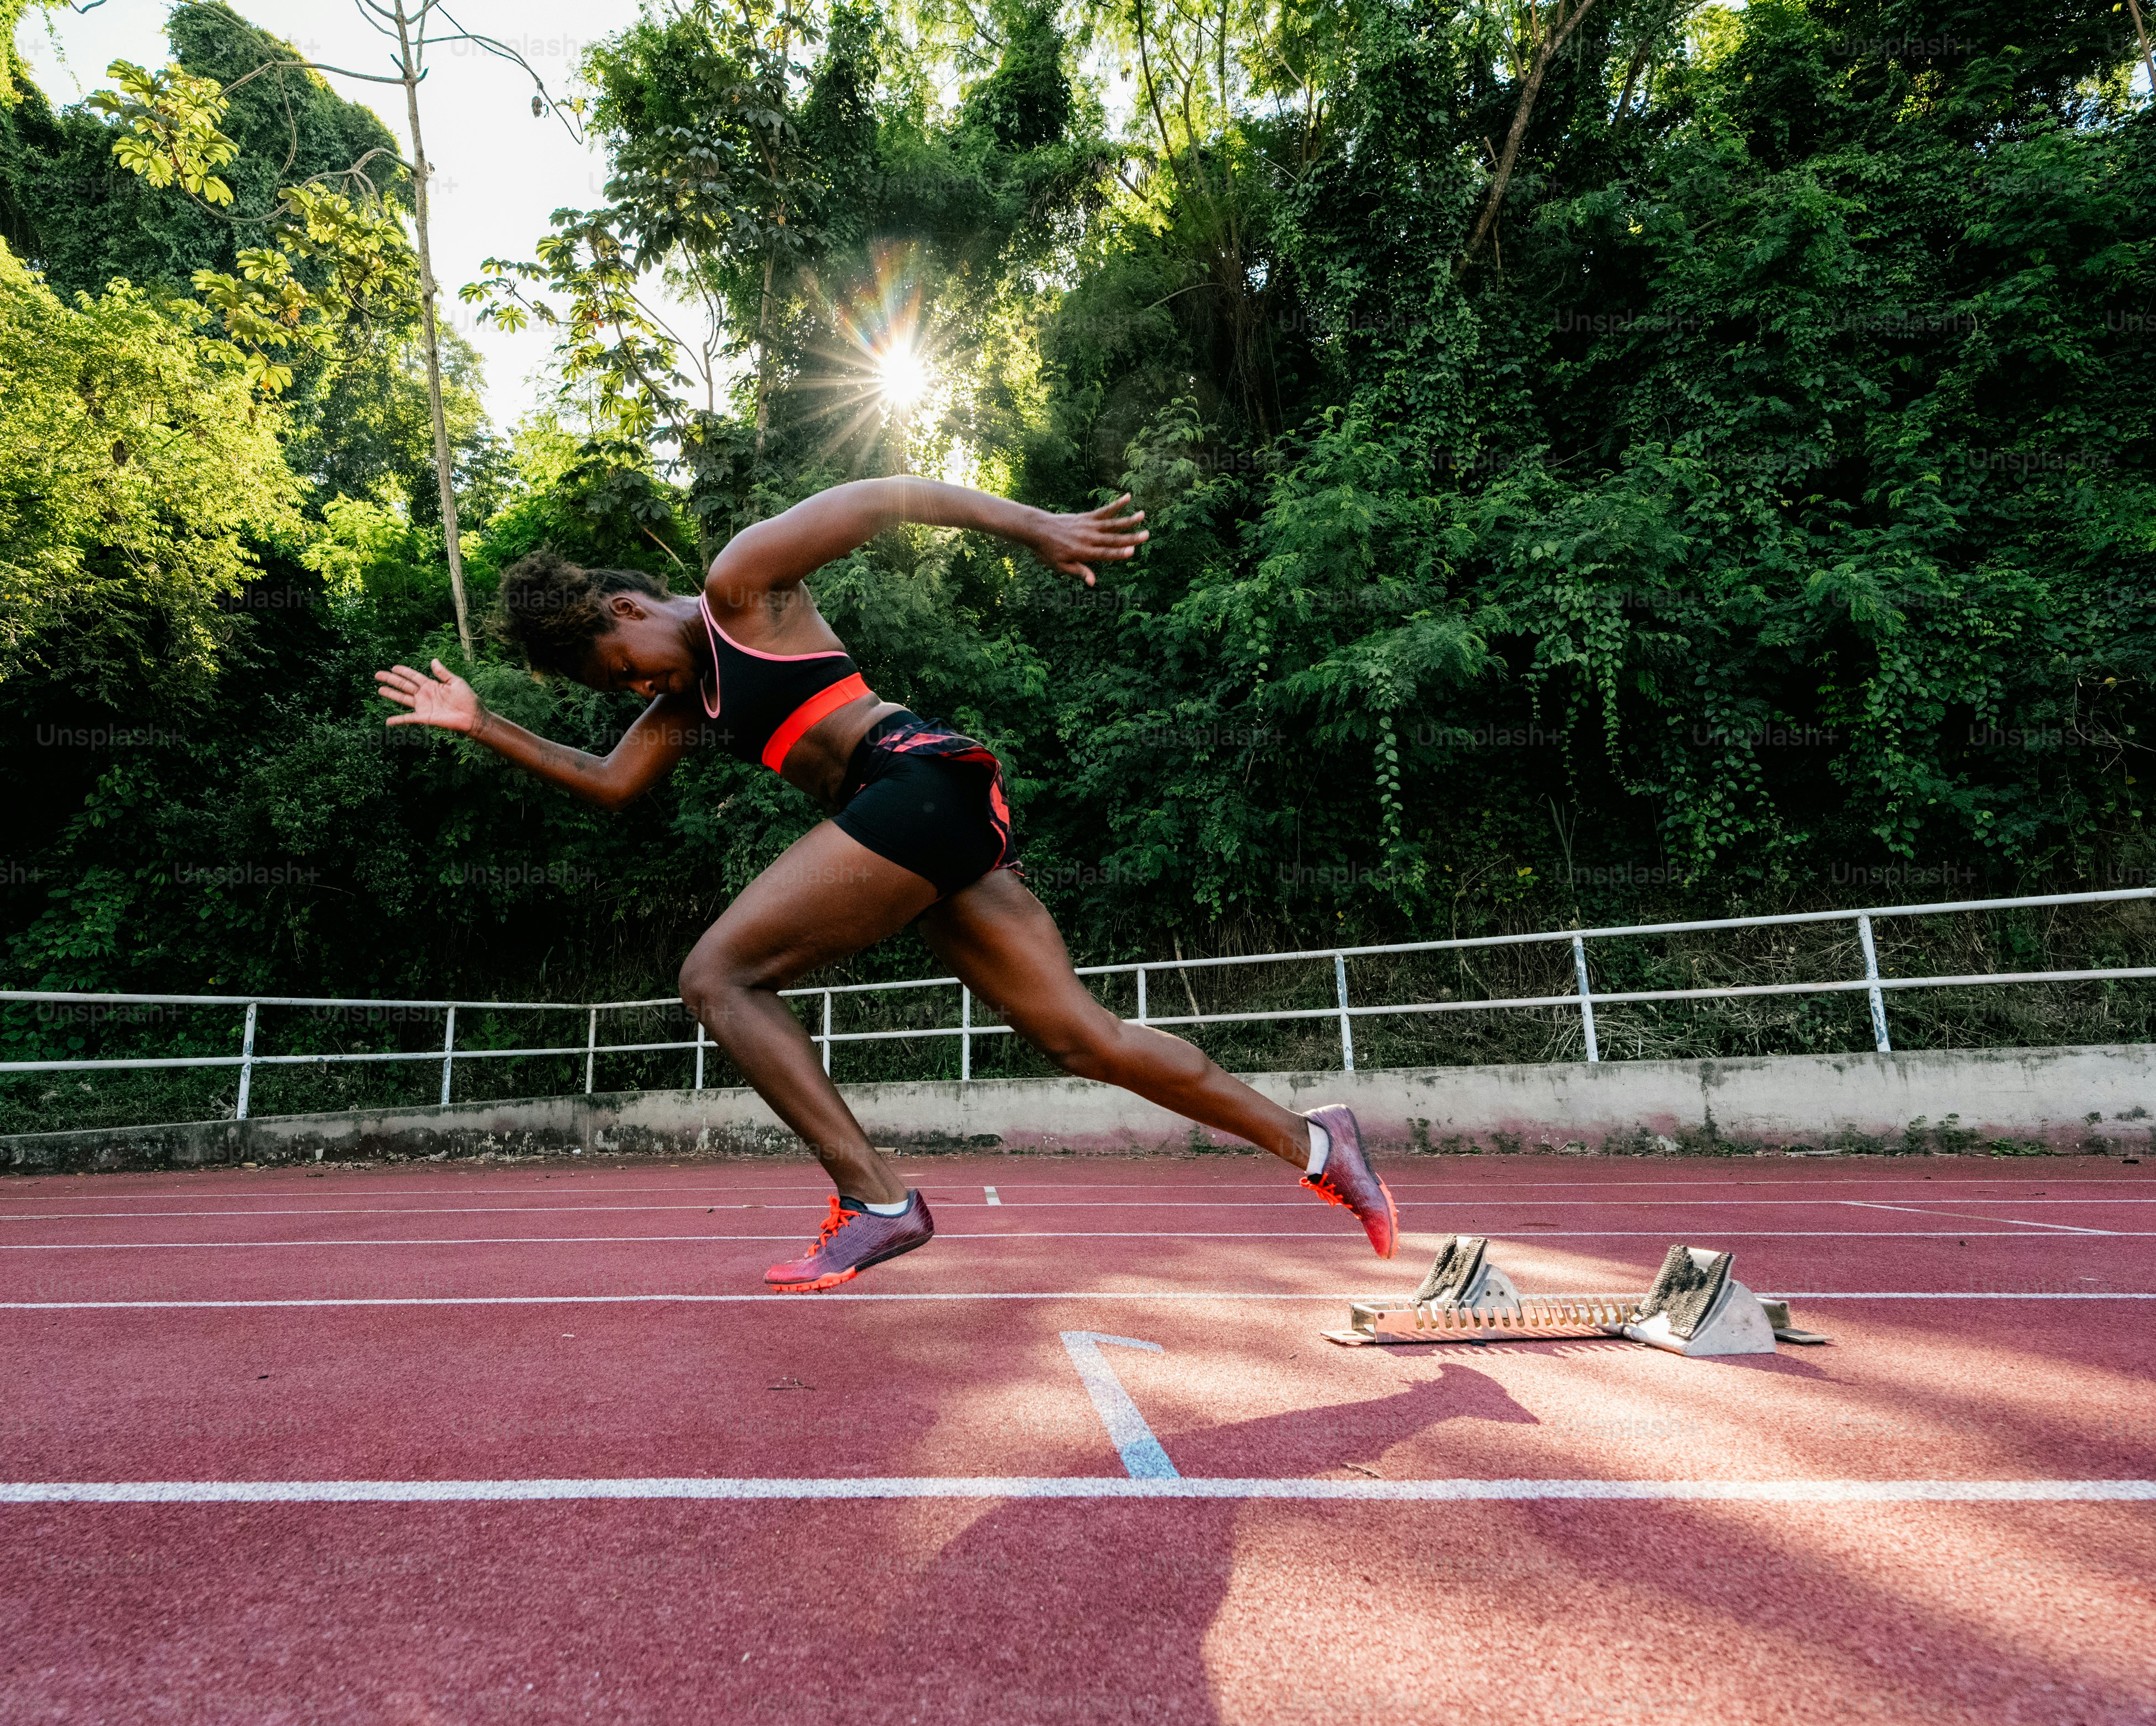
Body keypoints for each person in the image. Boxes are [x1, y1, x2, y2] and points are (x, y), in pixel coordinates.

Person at [376, 476, 1398, 1290]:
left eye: (623, 668)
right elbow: (609, 786)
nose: (639, 689)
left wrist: (1033, 524)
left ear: (628, 605)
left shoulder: (740, 589)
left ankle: (874, 1203)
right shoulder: (688, 700)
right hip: (941, 818)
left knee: (718, 979)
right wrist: (482, 724)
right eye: (623, 691)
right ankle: (1317, 1143)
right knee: (1079, 1037)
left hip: (912, 784)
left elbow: (883, 496)